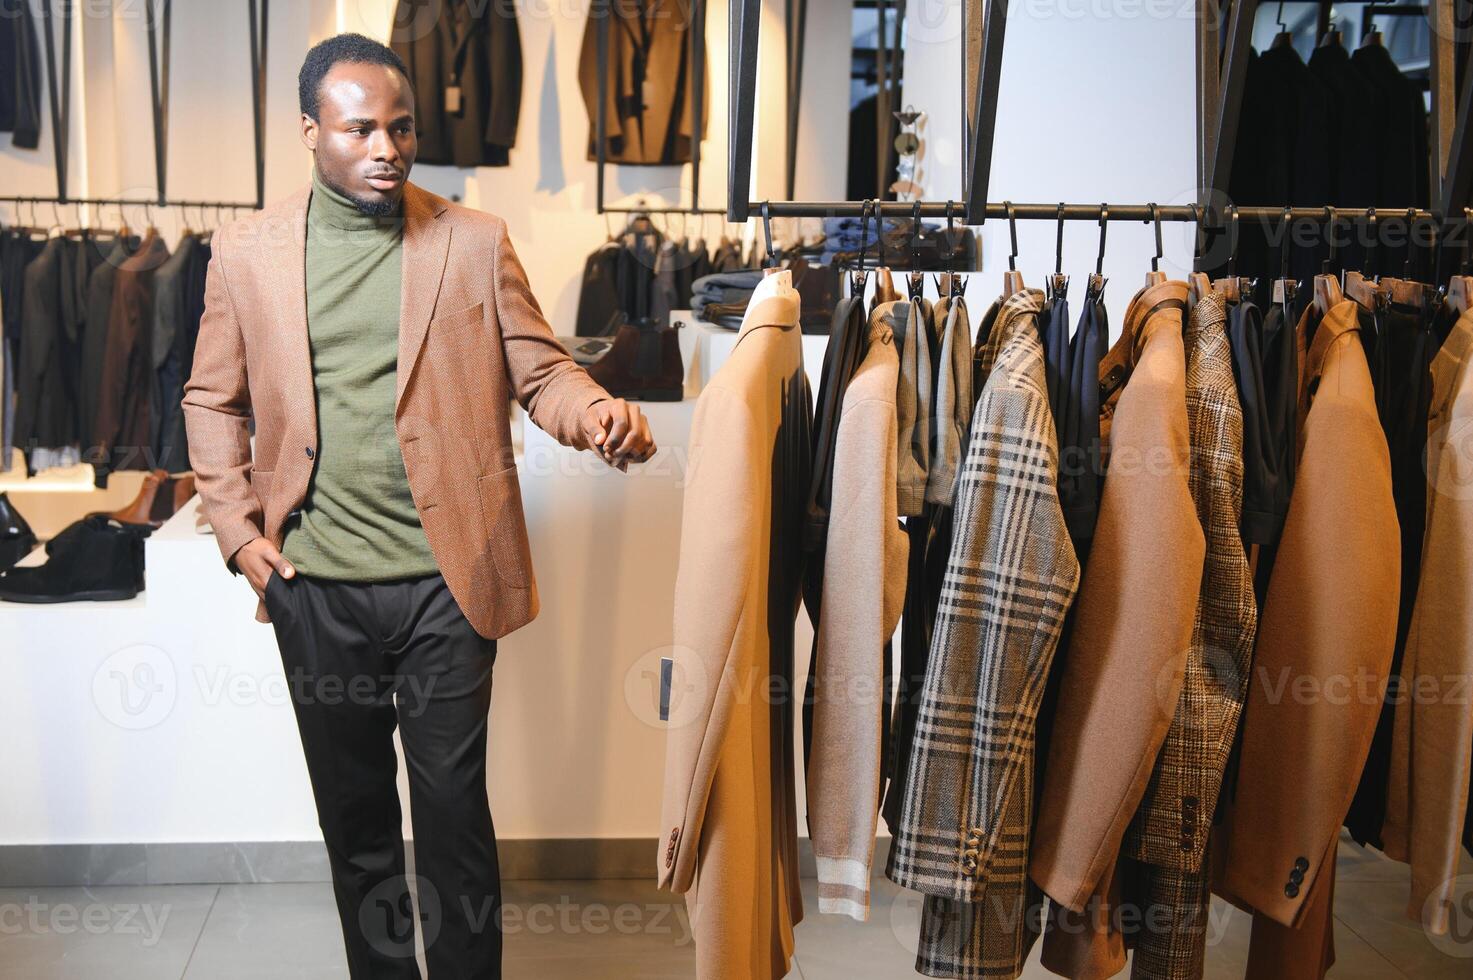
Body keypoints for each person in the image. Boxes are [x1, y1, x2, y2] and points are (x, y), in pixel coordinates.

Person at [181, 32, 656, 979]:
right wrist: (238, 535)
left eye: (401, 128)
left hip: (448, 584)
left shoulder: (473, 241)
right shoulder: (245, 254)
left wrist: (595, 412)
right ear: (312, 132)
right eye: (361, 130)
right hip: (315, 588)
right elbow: (210, 399)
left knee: (453, 819)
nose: (387, 148)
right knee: (354, 819)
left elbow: (542, 371)